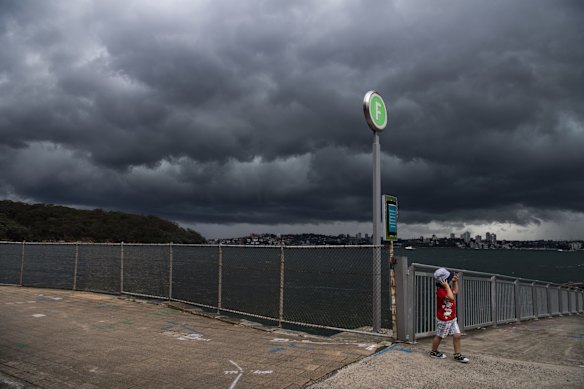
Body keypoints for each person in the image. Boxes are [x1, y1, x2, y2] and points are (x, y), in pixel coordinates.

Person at [429, 267, 470, 363]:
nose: (451, 279)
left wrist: (455, 282)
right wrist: (447, 286)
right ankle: (433, 351)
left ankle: (457, 354)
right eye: (450, 278)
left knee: (457, 335)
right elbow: (451, 298)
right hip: (444, 319)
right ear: (444, 281)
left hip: (451, 318)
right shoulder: (440, 292)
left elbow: (455, 292)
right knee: (440, 336)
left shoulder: (446, 289)